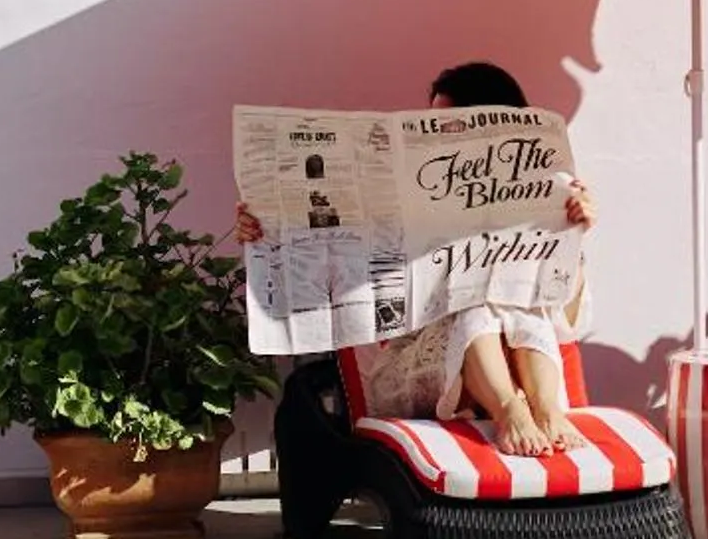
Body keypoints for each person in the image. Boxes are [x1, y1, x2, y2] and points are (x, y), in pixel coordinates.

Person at [235, 62, 597, 457]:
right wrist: (267, 230)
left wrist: (572, 238)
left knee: (508, 300)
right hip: (418, 370)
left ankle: (545, 412)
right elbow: (325, 248)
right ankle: (511, 412)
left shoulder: (540, 200)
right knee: (472, 300)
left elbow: (566, 325)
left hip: (520, 365)